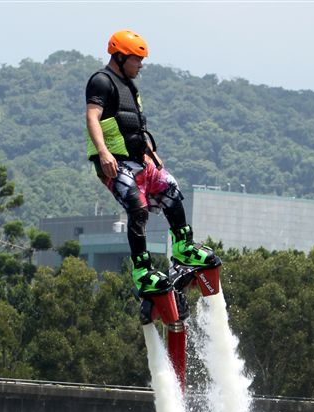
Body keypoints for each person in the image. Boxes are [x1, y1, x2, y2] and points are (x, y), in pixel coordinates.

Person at [85, 29, 217, 302]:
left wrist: (151, 153)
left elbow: (135, 125)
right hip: (114, 162)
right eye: (137, 60)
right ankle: (143, 273)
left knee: (170, 187)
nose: (141, 65)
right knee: (137, 207)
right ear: (120, 57)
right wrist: (103, 153)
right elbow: (92, 118)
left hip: (139, 159)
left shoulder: (130, 86)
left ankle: (183, 247)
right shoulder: (101, 81)